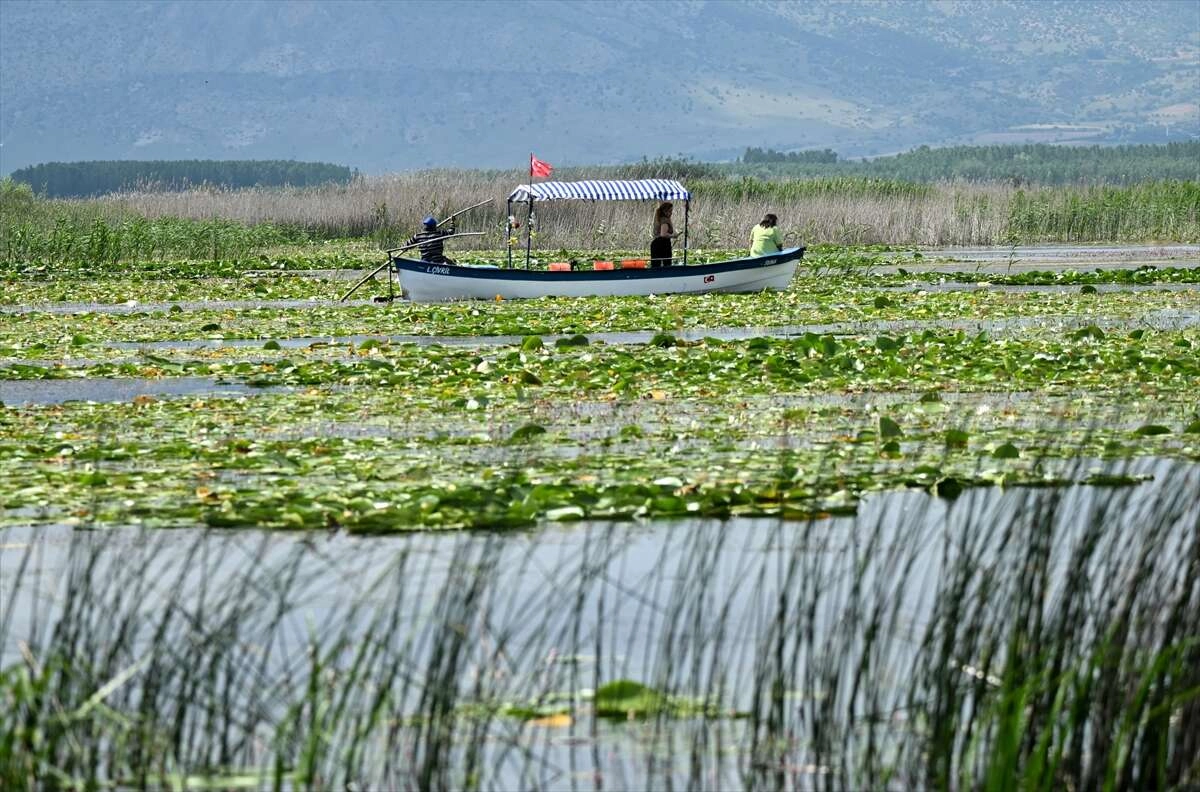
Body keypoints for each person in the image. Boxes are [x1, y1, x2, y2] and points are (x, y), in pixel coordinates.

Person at [650, 202, 676, 267]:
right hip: (662, 244)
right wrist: (674, 236)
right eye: (670, 211)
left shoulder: (659, 218)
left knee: (655, 266)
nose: (671, 213)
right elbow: (663, 234)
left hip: (656, 244)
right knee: (667, 265)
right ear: (665, 211)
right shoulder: (664, 220)